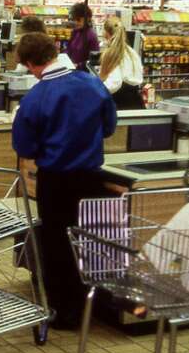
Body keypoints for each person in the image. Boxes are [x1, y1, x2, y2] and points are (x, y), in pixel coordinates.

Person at [11, 32, 117, 330]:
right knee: (87, 241)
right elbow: (109, 126)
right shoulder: (92, 83)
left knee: (57, 246)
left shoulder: (35, 98)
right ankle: (91, 303)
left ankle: (63, 310)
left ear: (32, 64)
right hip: (91, 179)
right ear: (55, 52)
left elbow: (25, 148)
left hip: (55, 182)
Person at [98, 17, 144, 109]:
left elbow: (114, 83)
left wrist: (97, 90)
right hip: (136, 102)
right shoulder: (132, 52)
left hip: (119, 103)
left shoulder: (110, 53)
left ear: (106, 33)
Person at [65, 2, 100, 72]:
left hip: (84, 74)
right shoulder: (75, 32)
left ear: (87, 19)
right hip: (71, 71)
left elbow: (94, 60)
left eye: (78, 20)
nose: (76, 22)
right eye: (74, 19)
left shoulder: (91, 36)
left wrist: (79, 65)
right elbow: (69, 50)